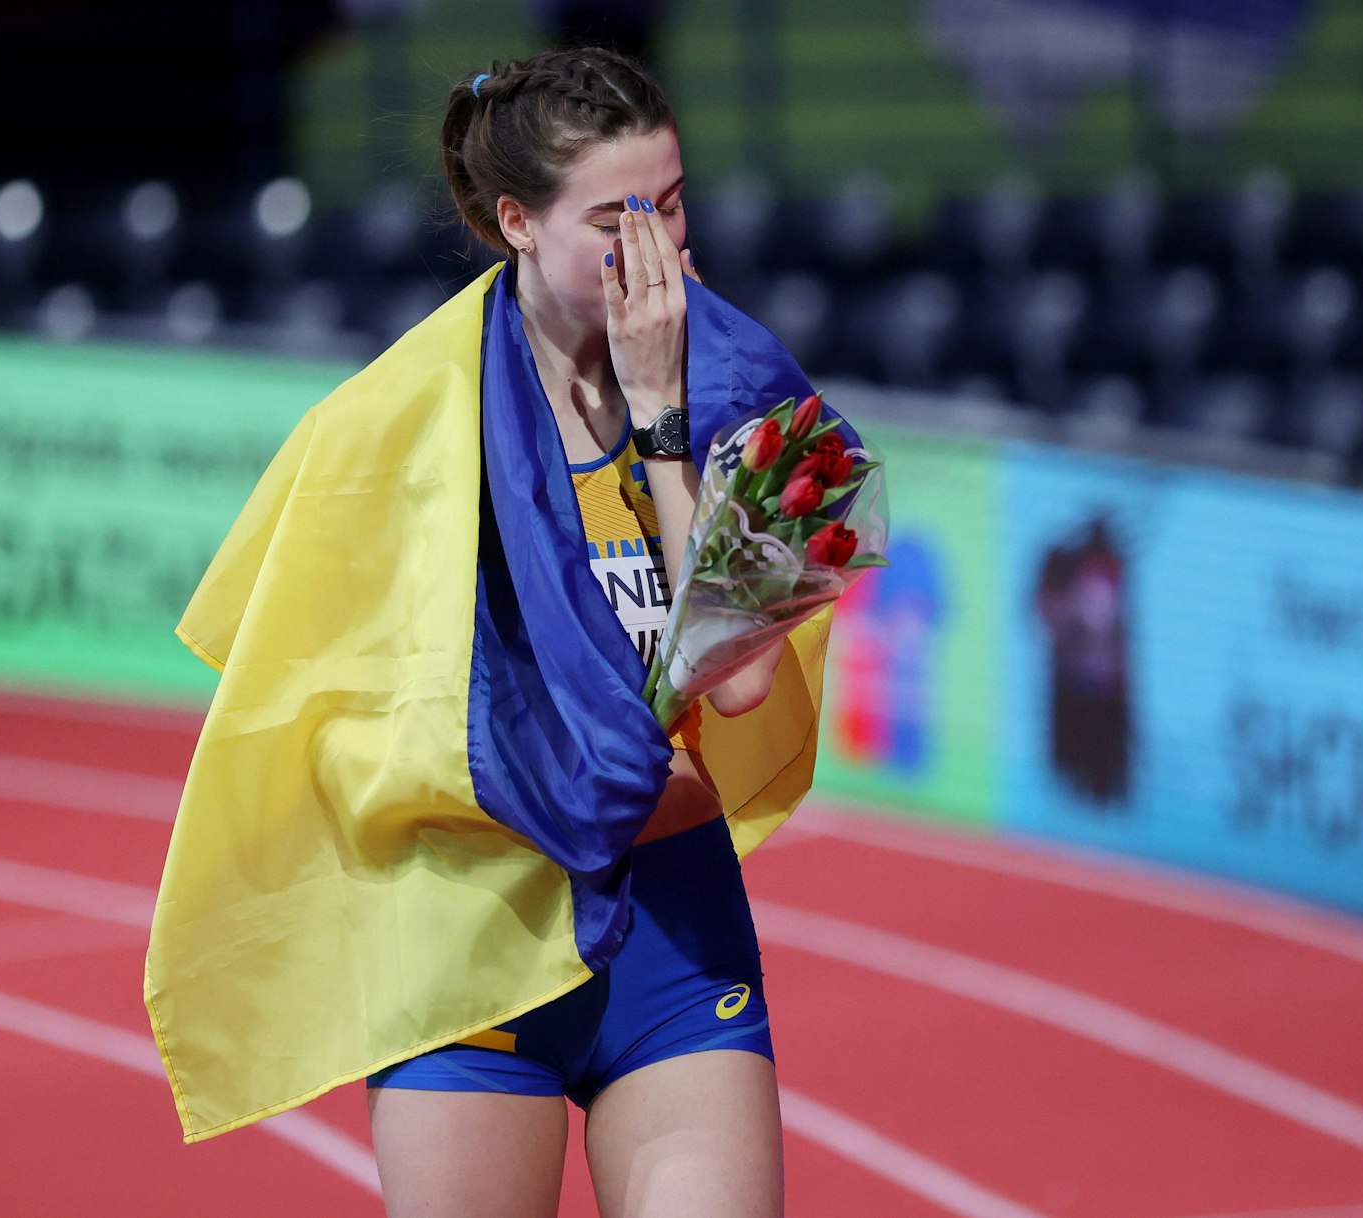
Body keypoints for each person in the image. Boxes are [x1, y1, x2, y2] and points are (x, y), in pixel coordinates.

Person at [145, 45, 845, 1218]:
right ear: (514, 220)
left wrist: (663, 417)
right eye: (616, 219)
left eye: (671, 207)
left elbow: (736, 682)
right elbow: (331, 722)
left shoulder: (735, 387)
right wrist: (540, 772)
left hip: (670, 929)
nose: (656, 251)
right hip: (466, 940)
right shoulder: (392, 431)